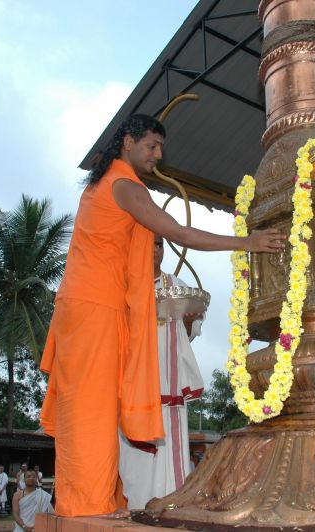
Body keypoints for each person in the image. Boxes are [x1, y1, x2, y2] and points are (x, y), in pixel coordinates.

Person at [39, 114, 283, 518]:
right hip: (93, 308)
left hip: (95, 307)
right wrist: (248, 242)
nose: (157, 155)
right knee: (91, 408)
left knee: (100, 406)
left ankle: (100, 499)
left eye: (161, 148)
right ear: (128, 142)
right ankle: (86, 505)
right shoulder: (123, 186)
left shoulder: (109, 184)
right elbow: (179, 233)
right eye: (151, 146)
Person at [119, 234, 206, 509]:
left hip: (168, 384)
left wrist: (188, 323)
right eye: (148, 245)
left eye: (159, 244)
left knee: (170, 445)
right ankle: (137, 507)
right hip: (134, 383)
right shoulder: (126, 286)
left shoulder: (177, 286)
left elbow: (190, 333)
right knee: (134, 457)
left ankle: (170, 505)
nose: (154, 250)